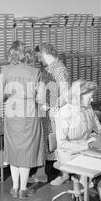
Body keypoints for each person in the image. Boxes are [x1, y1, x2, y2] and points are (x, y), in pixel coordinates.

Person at [55, 80, 101, 201]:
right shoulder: (64, 113)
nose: (92, 99)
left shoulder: (88, 108)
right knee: (98, 168)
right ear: (79, 96)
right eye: (90, 96)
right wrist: (85, 145)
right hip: (70, 153)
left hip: (87, 149)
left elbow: (98, 127)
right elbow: (62, 143)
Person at [1, 41, 45, 199]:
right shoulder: (35, 72)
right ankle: (23, 189)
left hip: (12, 115)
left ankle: (14, 187)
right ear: (25, 54)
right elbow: (40, 99)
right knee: (26, 151)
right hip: (29, 115)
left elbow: (0, 97)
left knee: (14, 150)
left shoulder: (4, 71)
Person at [30, 43, 70, 185]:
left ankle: (64, 174)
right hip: (46, 111)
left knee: (59, 143)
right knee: (48, 142)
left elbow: (65, 94)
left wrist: (51, 105)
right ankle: (44, 173)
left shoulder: (59, 69)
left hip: (55, 112)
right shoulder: (48, 68)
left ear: (44, 53)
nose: (38, 60)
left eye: (39, 57)